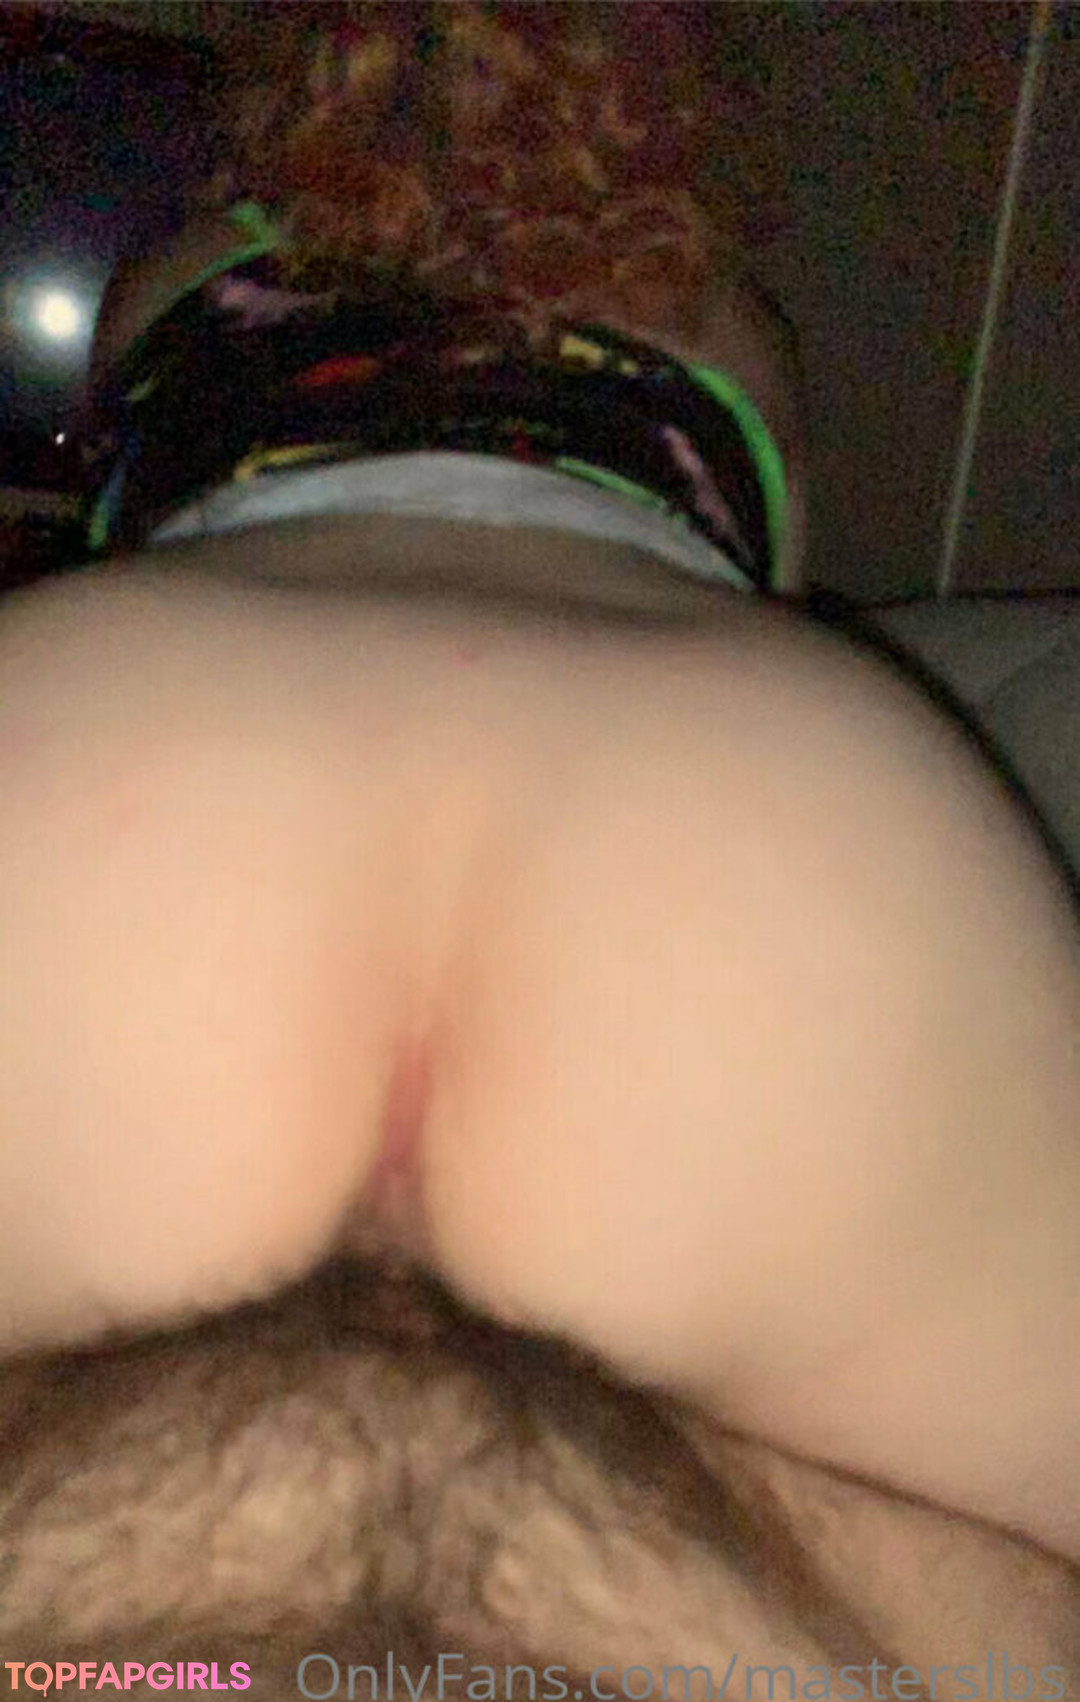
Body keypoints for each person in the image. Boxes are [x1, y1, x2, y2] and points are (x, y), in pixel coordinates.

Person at [2, 7, 1079, 1696]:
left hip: (123, 746)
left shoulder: (181, 272)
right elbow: (757, 577)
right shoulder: (733, 329)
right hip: (765, 821)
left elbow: (122, 499)